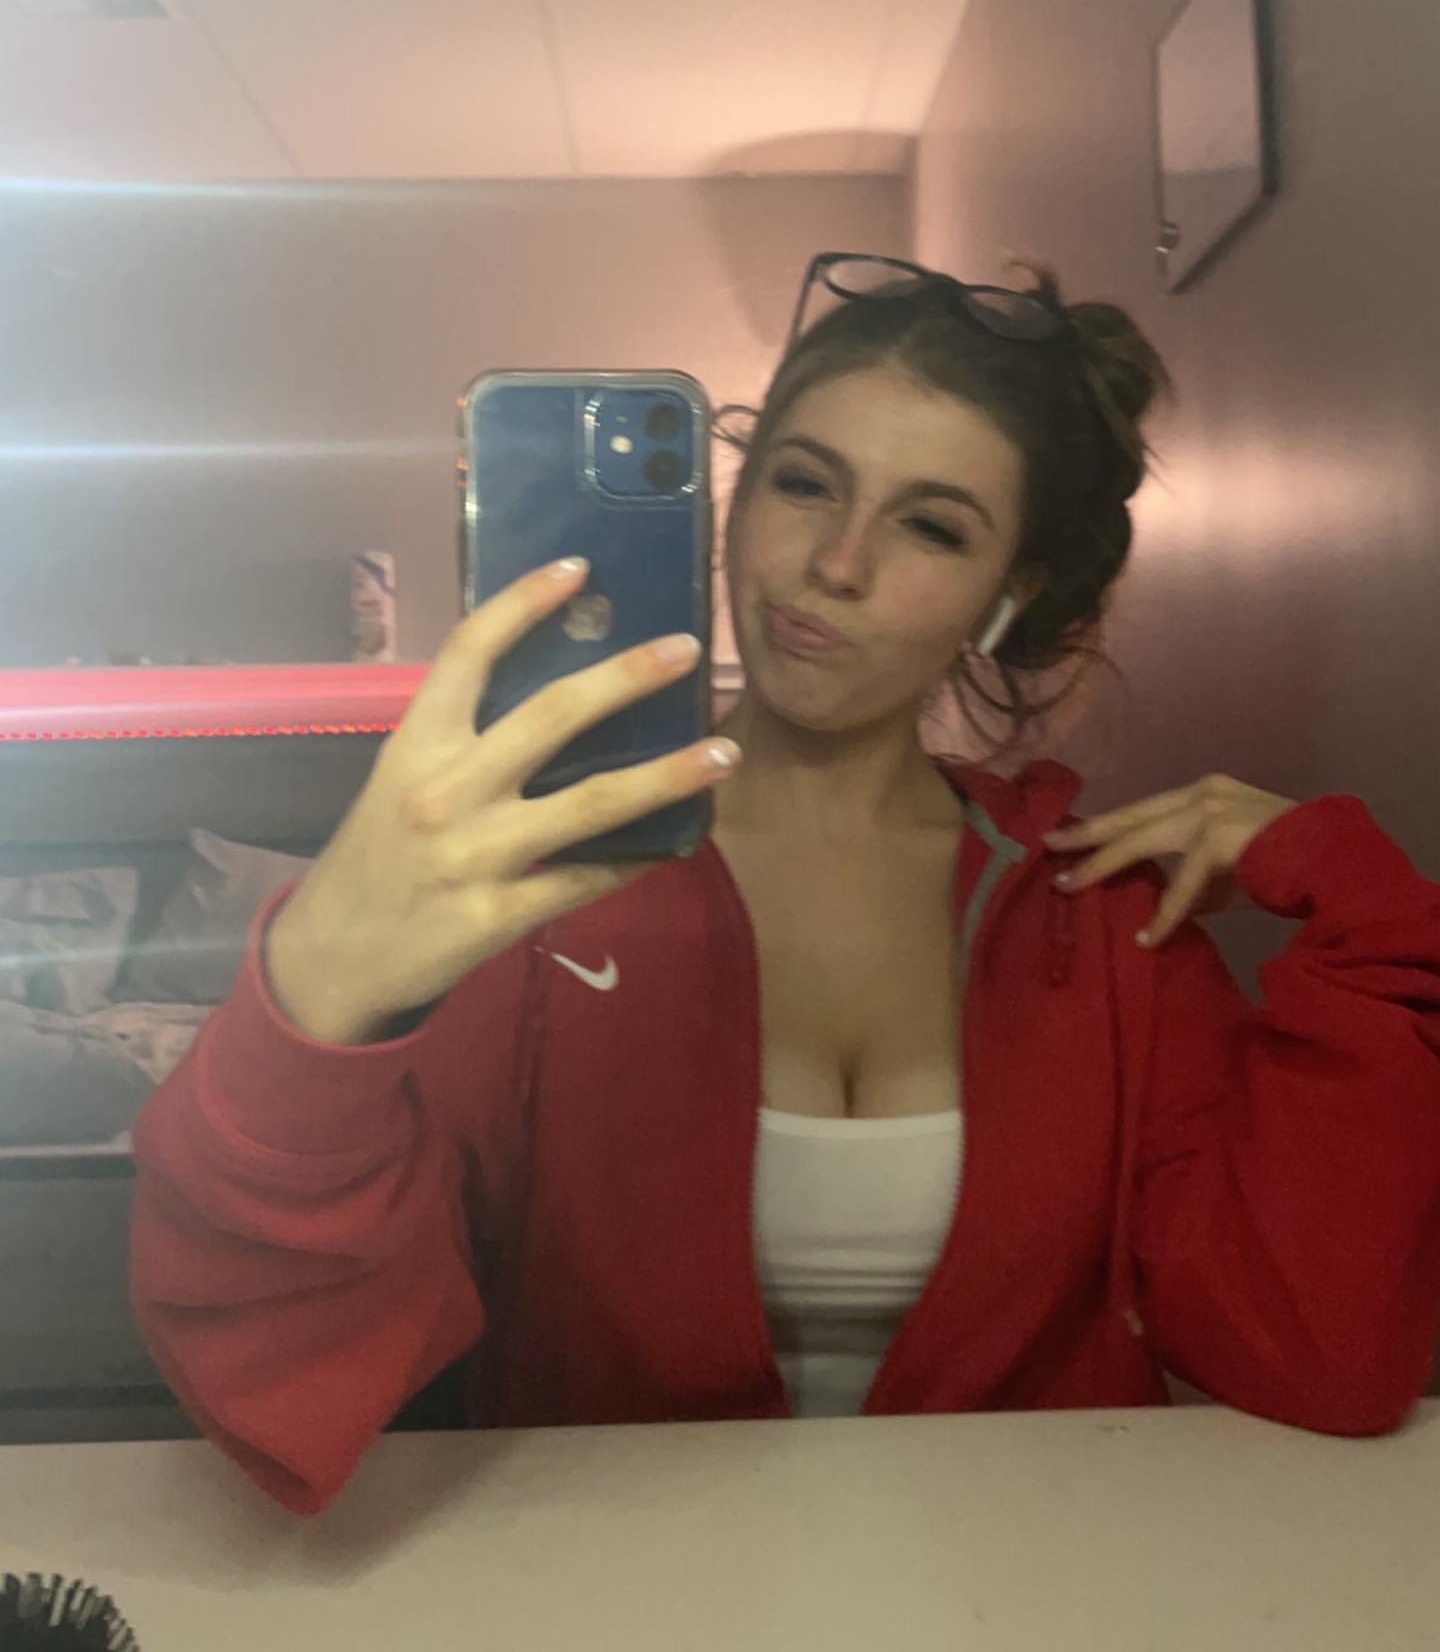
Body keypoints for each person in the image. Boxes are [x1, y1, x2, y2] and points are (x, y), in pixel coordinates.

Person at [129, 253, 1440, 1517]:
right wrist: (313, 996)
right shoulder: (548, 890)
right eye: (806, 485)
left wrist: (1355, 902)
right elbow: (281, 1362)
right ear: (734, 501)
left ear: (1009, 591)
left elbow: (1313, 1350)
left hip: (1026, 1594)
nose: (837, 564)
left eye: (931, 525)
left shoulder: (1094, 916)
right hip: (629, 1593)